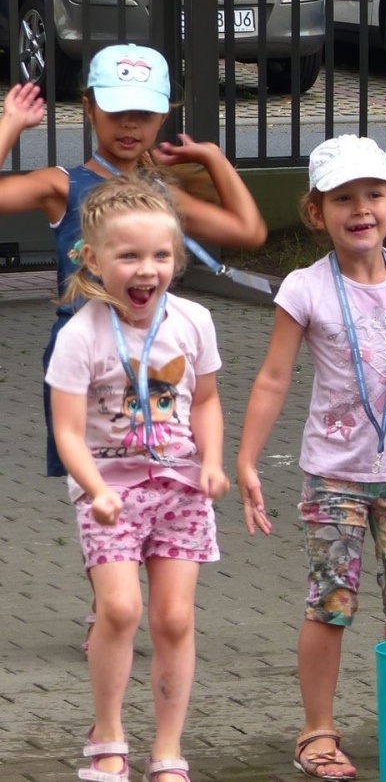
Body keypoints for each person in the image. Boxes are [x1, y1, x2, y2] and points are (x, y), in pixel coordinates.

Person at [0, 47, 267, 649]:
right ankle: (109, 598)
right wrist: (10, 125)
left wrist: (216, 161)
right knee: (98, 478)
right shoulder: (63, 185)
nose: (130, 127)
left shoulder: (161, 196)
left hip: (160, 359)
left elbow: (248, 233)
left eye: (145, 115)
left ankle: (146, 590)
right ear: (88, 107)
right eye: (116, 111)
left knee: (160, 473)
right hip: (86, 362)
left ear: (164, 114)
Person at [233, 135, 386, 780]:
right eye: (343, 198)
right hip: (333, 478)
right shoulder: (304, 288)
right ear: (318, 213)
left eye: (373, 194)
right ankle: (316, 732)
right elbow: (273, 378)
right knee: (330, 603)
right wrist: (248, 459)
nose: (360, 208)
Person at [46, 174, 232, 782]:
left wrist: (211, 461)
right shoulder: (80, 336)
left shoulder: (194, 320)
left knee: (174, 619)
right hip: (111, 492)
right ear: (94, 261)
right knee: (121, 609)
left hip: (180, 488)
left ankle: (169, 751)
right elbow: (68, 432)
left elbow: (204, 399)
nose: (145, 269)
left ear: (175, 259)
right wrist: (95, 490)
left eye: (159, 255)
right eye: (128, 256)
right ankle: (108, 733)